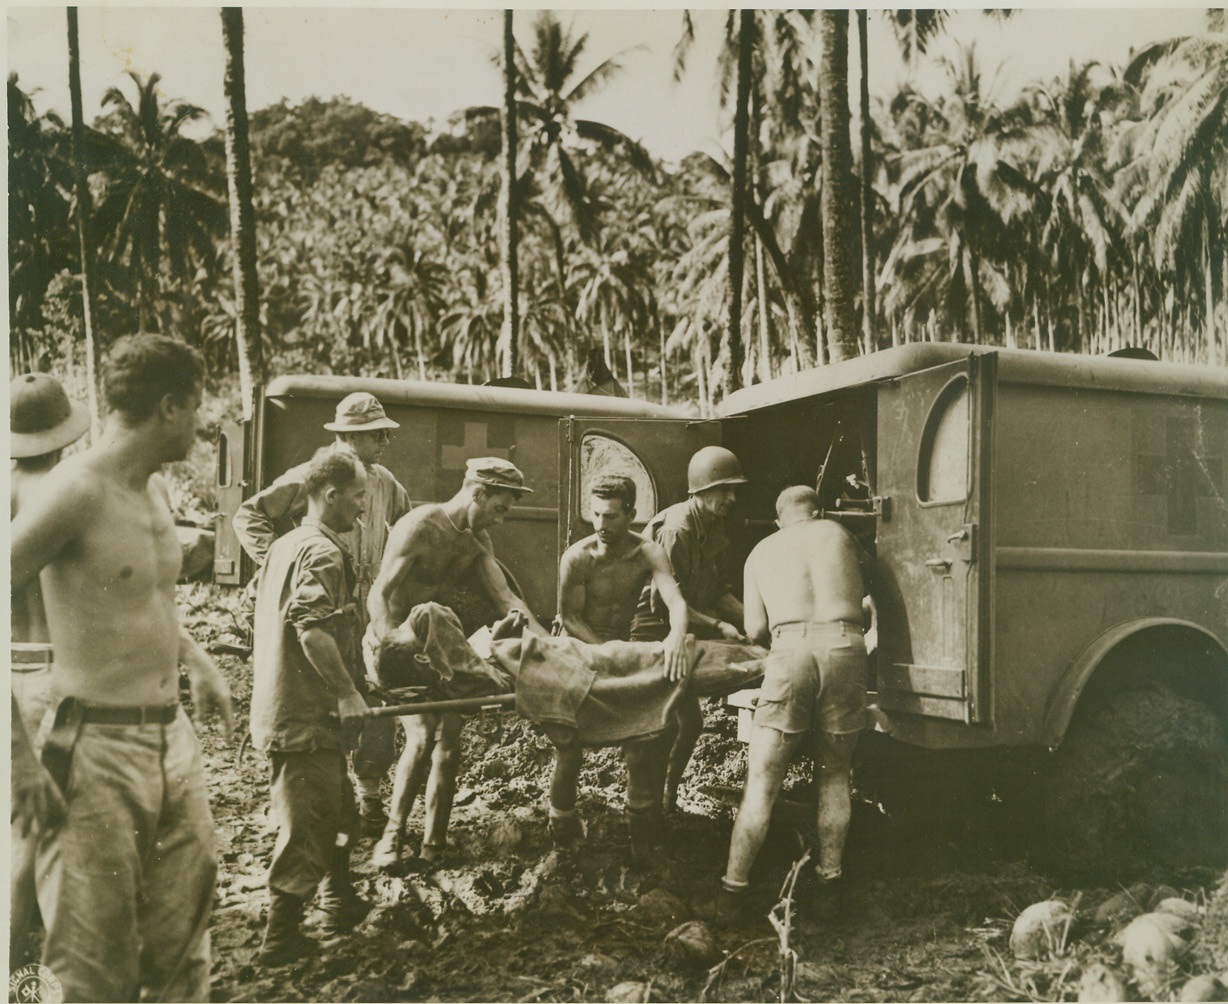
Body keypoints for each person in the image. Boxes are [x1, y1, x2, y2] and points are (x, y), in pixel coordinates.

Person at [10, 334, 234, 1002]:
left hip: (172, 743)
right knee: (91, 968)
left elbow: (144, 597)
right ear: (169, 408)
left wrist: (196, 659)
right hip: (95, 752)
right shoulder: (74, 492)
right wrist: (18, 763)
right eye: (195, 407)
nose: (201, 423)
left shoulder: (155, 488)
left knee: (184, 948)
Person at [234, 391, 411, 831]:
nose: (383, 442)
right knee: (316, 703)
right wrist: (278, 562)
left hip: (367, 610)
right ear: (348, 436)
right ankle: (311, 802)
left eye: (384, 434)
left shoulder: (385, 483)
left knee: (371, 696)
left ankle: (367, 798)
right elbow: (249, 516)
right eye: (375, 435)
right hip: (318, 602)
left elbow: (408, 530)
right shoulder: (313, 477)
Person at [367, 457, 546, 870]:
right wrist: (386, 640)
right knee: (423, 733)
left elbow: (507, 600)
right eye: (499, 507)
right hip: (397, 643)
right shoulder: (420, 525)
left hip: (440, 650)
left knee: (449, 747)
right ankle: (392, 837)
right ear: (478, 493)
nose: (501, 519)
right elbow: (380, 591)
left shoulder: (478, 538)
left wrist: (551, 644)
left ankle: (434, 842)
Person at [715, 486, 872, 924]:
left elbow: (756, 627)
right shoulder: (841, 535)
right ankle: (829, 886)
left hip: (791, 651)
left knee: (762, 782)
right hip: (846, 649)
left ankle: (731, 895)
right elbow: (871, 594)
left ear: (779, 518)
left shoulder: (762, 550)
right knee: (836, 775)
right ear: (817, 511)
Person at [250, 446, 373, 965]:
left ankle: (338, 898)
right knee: (308, 825)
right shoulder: (321, 552)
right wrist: (347, 692)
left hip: (292, 707)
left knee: (341, 809)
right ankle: (280, 938)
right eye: (358, 497)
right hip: (303, 716)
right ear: (330, 494)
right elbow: (313, 630)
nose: (362, 510)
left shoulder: (287, 544)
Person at [555, 475, 690, 861]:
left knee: (640, 745)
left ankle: (640, 836)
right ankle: (560, 830)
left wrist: (678, 635)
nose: (601, 524)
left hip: (620, 650)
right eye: (596, 514)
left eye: (611, 516)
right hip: (580, 649)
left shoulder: (647, 553)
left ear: (631, 514)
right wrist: (607, 655)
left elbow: (675, 601)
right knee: (569, 745)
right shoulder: (577, 557)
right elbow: (569, 618)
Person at [9, 372, 90, 967]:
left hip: (13, 672)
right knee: (47, 839)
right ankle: (21, 970)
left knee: (21, 833)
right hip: (55, 677)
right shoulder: (63, 494)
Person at [632, 445, 749, 812]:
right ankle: (651, 803)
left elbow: (719, 592)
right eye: (724, 489)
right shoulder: (677, 530)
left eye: (734, 490)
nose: (732, 498)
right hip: (653, 633)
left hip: (686, 631)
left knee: (689, 724)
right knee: (666, 724)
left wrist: (757, 621)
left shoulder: (714, 529)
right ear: (701, 490)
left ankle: (666, 798)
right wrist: (719, 624)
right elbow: (667, 607)